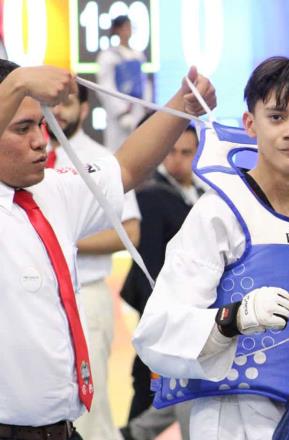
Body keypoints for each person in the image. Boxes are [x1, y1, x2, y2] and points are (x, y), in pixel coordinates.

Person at [132, 56, 289, 439]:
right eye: (277, 117)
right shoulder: (218, 213)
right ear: (251, 124)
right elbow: (156, 332)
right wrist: (234, 318)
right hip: (233, 420)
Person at [0, 59, 214, 439]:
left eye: (40, 124)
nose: (40, 140)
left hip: (61, 429)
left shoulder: (52, 190)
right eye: (22, 128)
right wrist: (17, 83)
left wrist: (182, 105)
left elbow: (127, 168)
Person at [47, 84, 142, 440]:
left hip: (85, 295)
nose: (58, 111)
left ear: (85, 109)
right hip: (35, 299)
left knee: (91, 403)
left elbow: (129, 232)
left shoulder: (102, 159)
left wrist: (64, 242)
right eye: (50, 104)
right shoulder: (26, 156)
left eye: (67, 103)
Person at [119, 124, 203, 440]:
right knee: (149, 387)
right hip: (162, 315)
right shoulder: (153, 196)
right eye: (171, 151)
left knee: (172, 391)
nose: (177, 159)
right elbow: (149, 263)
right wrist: (158, 316)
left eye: (186, 152)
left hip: (188, 314)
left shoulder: (199, 193)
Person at [96, 15, 152, 152]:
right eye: (124, 27)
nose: (127, 31)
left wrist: (147, 106)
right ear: (116, 30)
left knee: (140, 150)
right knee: (118, 151)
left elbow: (144, 83)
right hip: (120, 114)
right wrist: (121, 112)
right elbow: (105, 87)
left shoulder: (138, 55)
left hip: (138, 110)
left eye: (129, 27)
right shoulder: (108, 56)